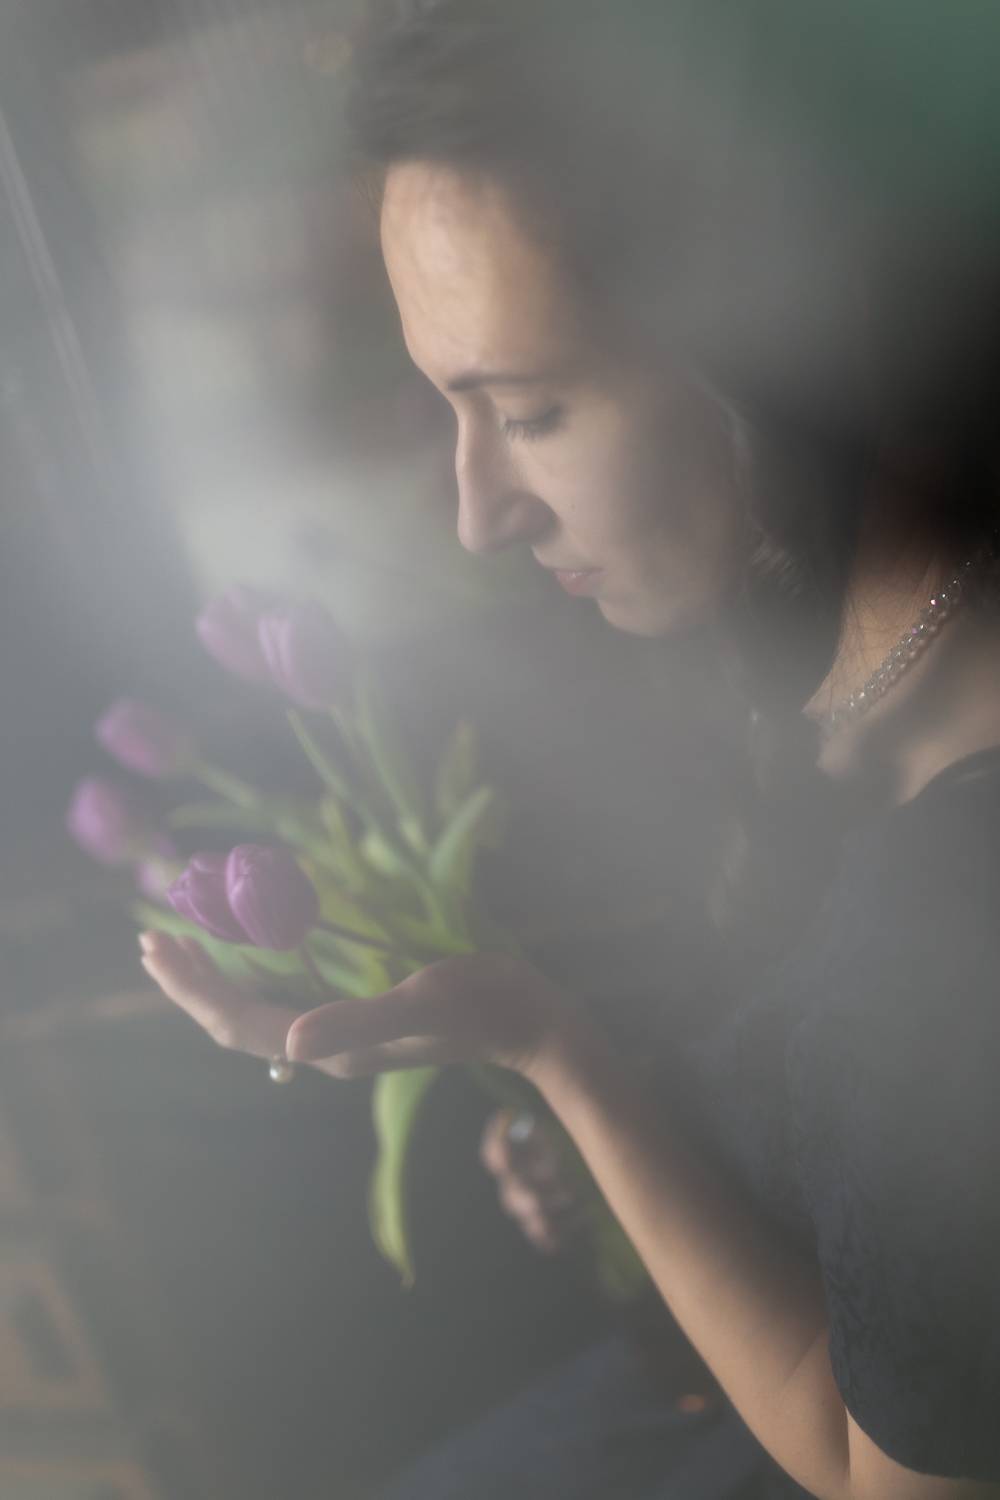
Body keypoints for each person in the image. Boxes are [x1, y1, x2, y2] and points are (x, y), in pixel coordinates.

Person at [139, 3, 1000, 1497]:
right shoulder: (831, 664)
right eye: (448, 409)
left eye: (531, 411)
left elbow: (880, 1474)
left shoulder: (943, 914)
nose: (481, 511)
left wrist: (563, 1059)